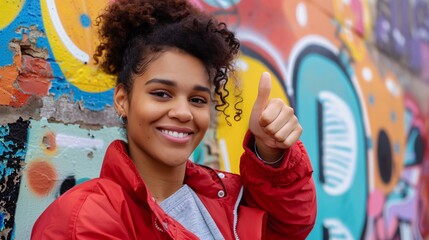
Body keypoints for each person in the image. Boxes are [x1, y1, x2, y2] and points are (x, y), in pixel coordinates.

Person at [31, 0, 316, 239]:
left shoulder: (226, 201)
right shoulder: (85, 219)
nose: (183, 112)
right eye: (162, 93)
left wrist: (271, 155)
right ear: (122, 100)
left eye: (197, 99)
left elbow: (289, 226)